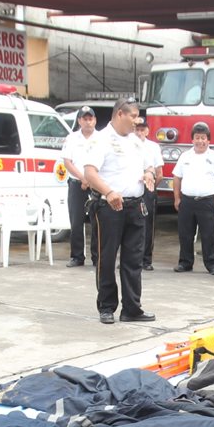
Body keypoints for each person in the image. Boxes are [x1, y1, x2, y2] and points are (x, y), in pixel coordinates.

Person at [82, 96, 156, 324]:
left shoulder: (136, 141)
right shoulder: (101, 140)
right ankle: (106, 306)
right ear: (120, 114)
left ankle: (132, 308)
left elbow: (149, 165)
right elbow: (89, 172)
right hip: (109, 206)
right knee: (106, 257)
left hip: (135, 206)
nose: (137, 121)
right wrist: (109, 191)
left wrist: (149, 175)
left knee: (133, 259)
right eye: (133, 116)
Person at [172, 121, 214, 275]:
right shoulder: (185, 156)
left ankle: (212, 265)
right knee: (185, 234)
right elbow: (177, 178)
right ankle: (185, 263)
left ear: (208, 140)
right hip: (187, 201)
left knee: (209, 234)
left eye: (203, 138)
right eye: (197, 138)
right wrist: (177, 198)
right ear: (192, 140)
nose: (200, 141)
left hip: (207, 201)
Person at [60, 106, 98, 268]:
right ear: (79, 121)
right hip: (77, 183)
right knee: (76, 221)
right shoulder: (72, 138)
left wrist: (91, 179)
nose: (88, 122)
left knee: (97, 221)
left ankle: (97, 257)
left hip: (96, 184)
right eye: (85, 119)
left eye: (91, 119)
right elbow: (67, 162)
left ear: (95, 120)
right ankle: (77, 256)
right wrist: (83, 178)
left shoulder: (102, 138)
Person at [135, 117, 163, 271]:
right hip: (130, 189)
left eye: (142, 129)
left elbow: (160, 173)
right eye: (137, 129)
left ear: (147, 131)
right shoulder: (128, 144)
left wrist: (150, 187)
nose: (139, 132)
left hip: (147, 188)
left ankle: (146, 260)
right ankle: (130, 258)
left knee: (147, 225)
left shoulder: (153, 147)